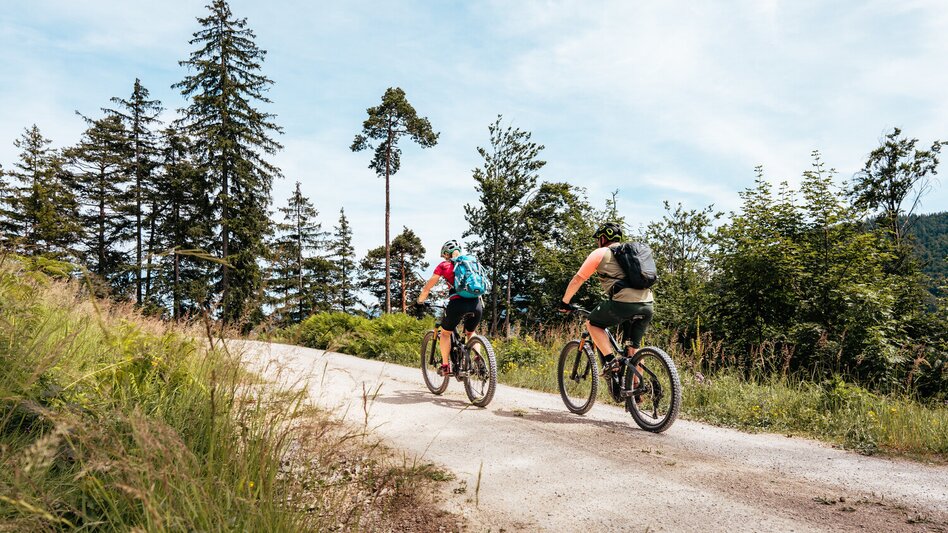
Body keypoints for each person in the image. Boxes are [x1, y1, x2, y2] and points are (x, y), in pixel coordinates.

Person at [558, 222, 654, 384]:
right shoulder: (633, 255)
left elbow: (578, 279)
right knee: (633, 349)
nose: (597, 242)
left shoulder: (600, 253)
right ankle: (638, 390)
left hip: (623, 304)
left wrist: (565, 302)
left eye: (598, 239)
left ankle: (611, 361)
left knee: (593, 323)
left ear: (603, 238)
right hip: (648, 304)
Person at [416, 239, 484, 376]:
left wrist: (420, 301)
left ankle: (446, 366)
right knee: (471, 332)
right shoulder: (471, 263)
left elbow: (428, 287)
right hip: (476, 304)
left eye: (444, 255)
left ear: (447, 253)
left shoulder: (444, 266)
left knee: (445, 333)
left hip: (457, 304)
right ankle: (478, 359)